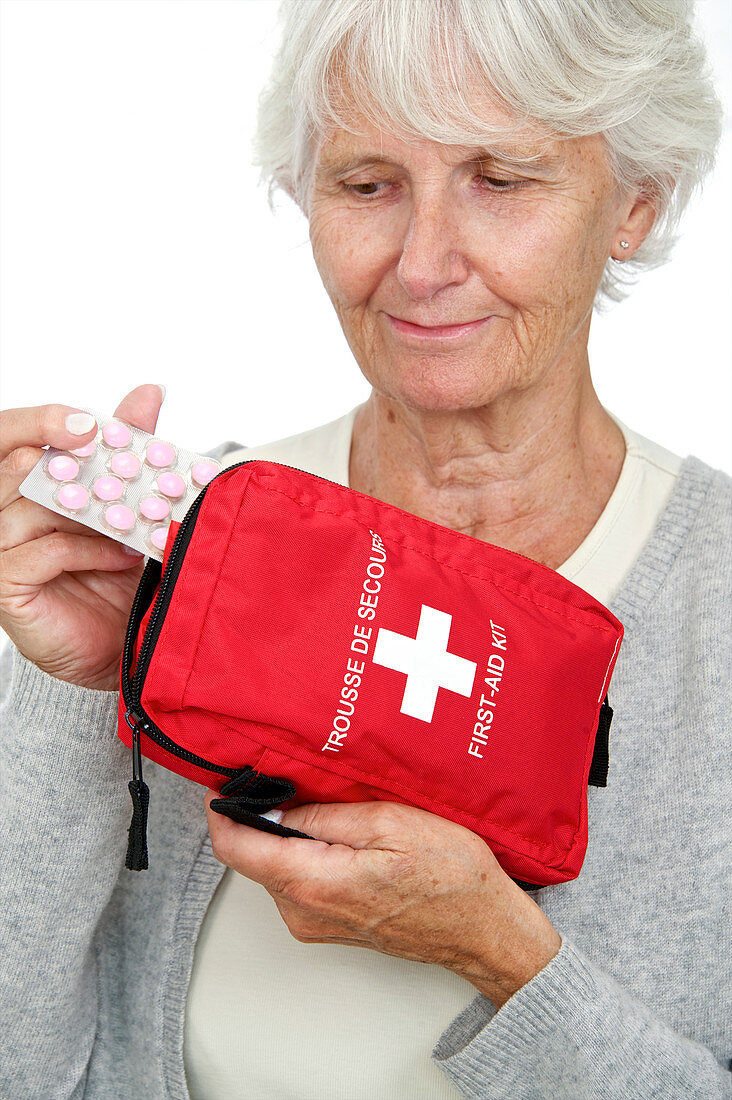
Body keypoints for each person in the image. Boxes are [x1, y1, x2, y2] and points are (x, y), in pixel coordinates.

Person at [0, 0, 729, 1097]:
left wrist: (500, 953)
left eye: (502, 177)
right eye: (367, 183)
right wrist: (73, 695)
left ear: (636, 202)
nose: (424, 262)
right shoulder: (181, 548)